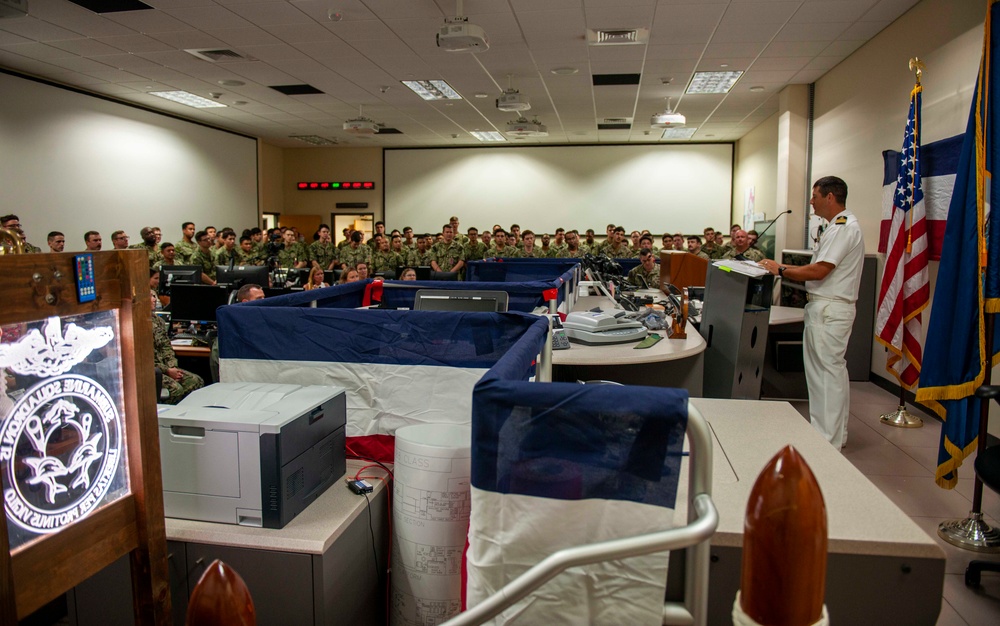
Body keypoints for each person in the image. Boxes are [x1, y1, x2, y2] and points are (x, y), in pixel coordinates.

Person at [759, 176, 864, 450]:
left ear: (830, 197)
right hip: (829, 307)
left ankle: (825, 443)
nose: (811, 201)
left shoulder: (843, 227)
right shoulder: (836, 226)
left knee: (824, 377)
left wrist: (778, 269)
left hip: (829, 309)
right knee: (832, 374)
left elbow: (820, 270)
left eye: (814, 195)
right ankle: (835, 436)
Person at [150, 290, 203, 404]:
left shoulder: (157, 320)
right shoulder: (136, 323)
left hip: (166, 368)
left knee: (196, 381)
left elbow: (166, 347)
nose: (154, 299)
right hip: (150, 371)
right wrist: (167, 370)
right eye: (150, 297)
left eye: (154, 296)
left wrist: (173, 367)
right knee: (175, 390)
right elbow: (144, 360)